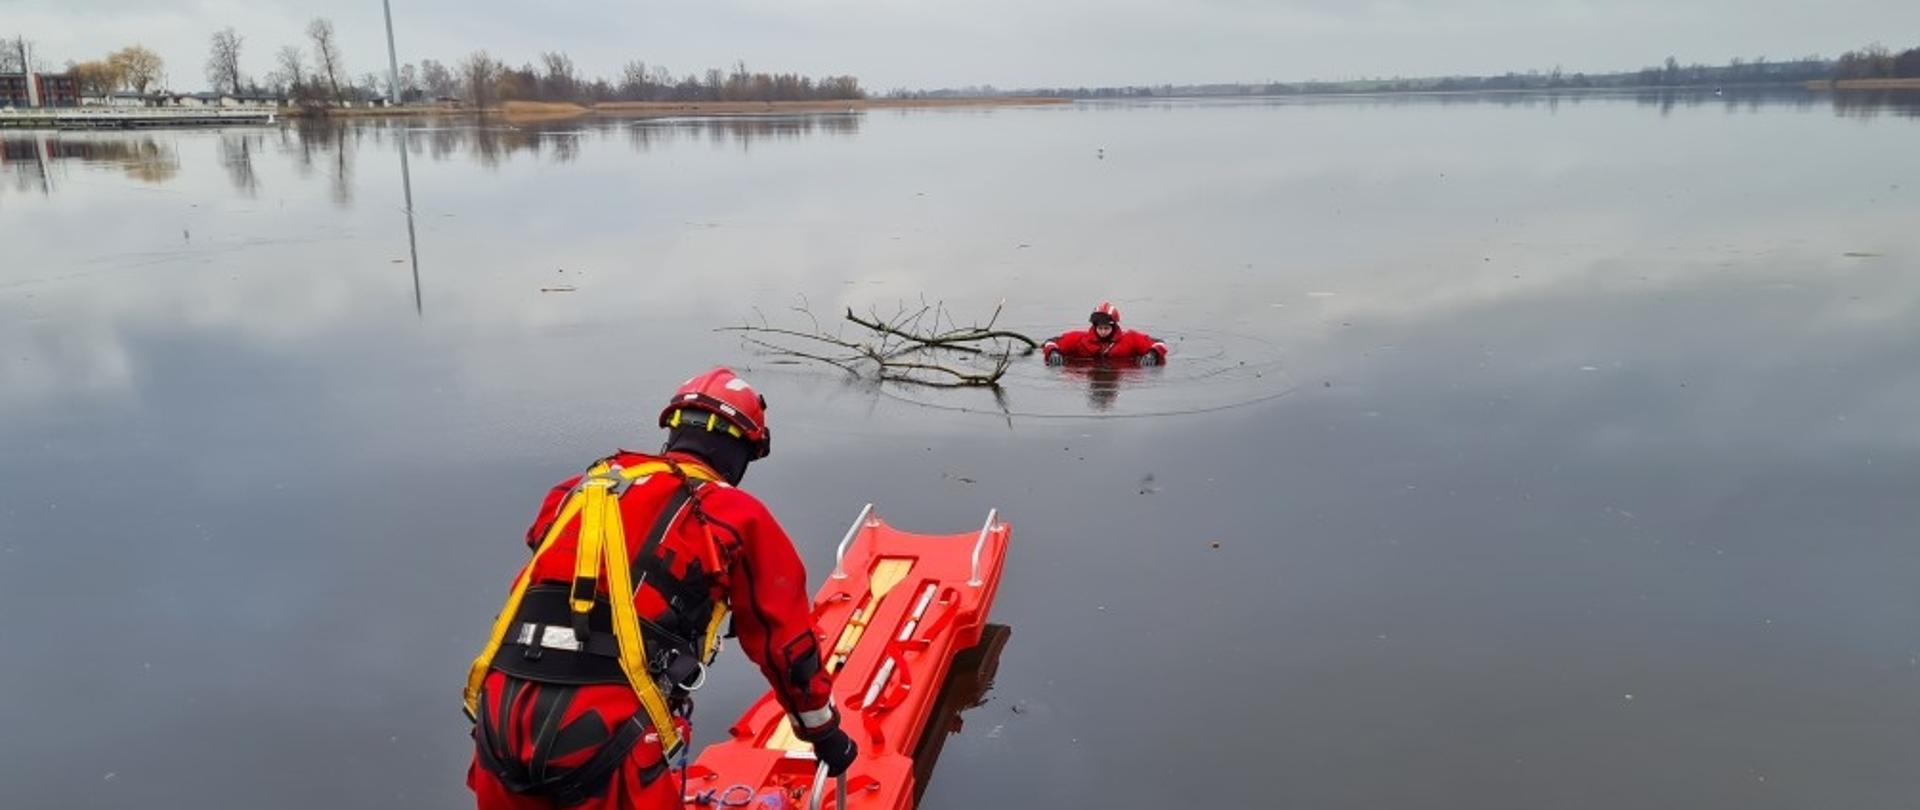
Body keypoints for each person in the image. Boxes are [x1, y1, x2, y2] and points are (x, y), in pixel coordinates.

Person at [463, 367, 856, 809]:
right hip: (604, 730)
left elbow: (549, 562)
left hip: (501, 714)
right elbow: (785, 645)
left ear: (673, 431)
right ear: (742, 448)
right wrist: (824, 733)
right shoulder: (735, 514)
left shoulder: (578, 491)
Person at [1042, 302, 1169, 367]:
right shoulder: (1078, 338)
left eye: (1106, 328)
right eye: (1100, 328)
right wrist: (1053, 352)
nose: (1103, 332)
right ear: (1094, 326)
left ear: (1114, 327)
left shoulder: (1131, 338)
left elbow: (1159, 344)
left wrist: (1153, 354)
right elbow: (1051, 342)